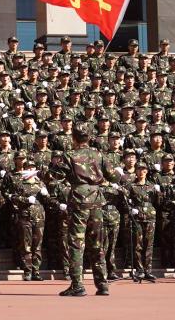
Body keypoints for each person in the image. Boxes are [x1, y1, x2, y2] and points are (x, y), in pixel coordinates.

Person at [58, 123, 116, 298]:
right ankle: (102, 284)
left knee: (76, 242)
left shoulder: (70, 155)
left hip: (79, 198)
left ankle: (77, 285)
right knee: (97, 242)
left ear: (73, 138)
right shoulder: (98, 154)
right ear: (89, 138)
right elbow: (114, 176)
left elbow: (54, 175)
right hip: (96, 199)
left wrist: (40, 173)